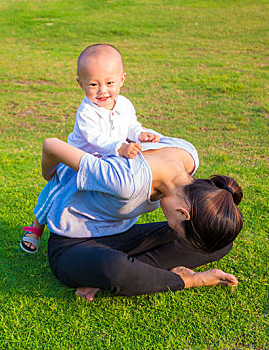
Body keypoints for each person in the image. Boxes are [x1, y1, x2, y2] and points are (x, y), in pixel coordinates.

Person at [39, 136, 243, 300]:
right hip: (72, 243)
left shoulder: (188, 157)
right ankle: (184, 279)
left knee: (217, 241)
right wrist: (51, 176)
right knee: (116, 269)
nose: (173, 230)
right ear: (183, 212)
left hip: (121, 234)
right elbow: (51, 145)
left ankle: (132, 271)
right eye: (176, 229)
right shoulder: (125, 181)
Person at [20, 43, 161, 253]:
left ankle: (93, 229)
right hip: (76, 160)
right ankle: (36, 226)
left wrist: (140, 134)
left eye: (110, 82)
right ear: (80, 83)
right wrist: (120, 148)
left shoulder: (124, 105)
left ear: (122, 79)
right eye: (93, 84)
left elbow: (131, 125)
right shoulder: (87, 111)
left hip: (108, 160)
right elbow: (95, 139)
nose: (103, 90)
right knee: (56, 190)